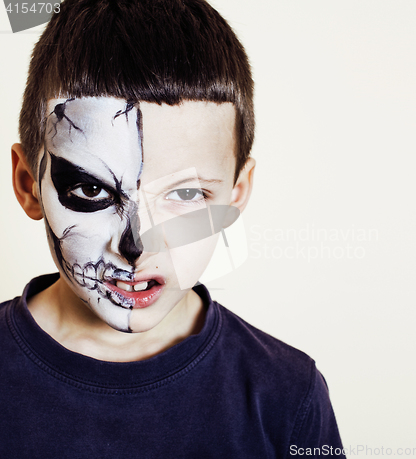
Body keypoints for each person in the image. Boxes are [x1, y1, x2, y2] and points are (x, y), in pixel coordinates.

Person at [1, 0, 345, 457]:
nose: (136, 245)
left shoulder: (287, 395)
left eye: (186, 195)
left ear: (236, 194)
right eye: (90, 191)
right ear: (28, 185)